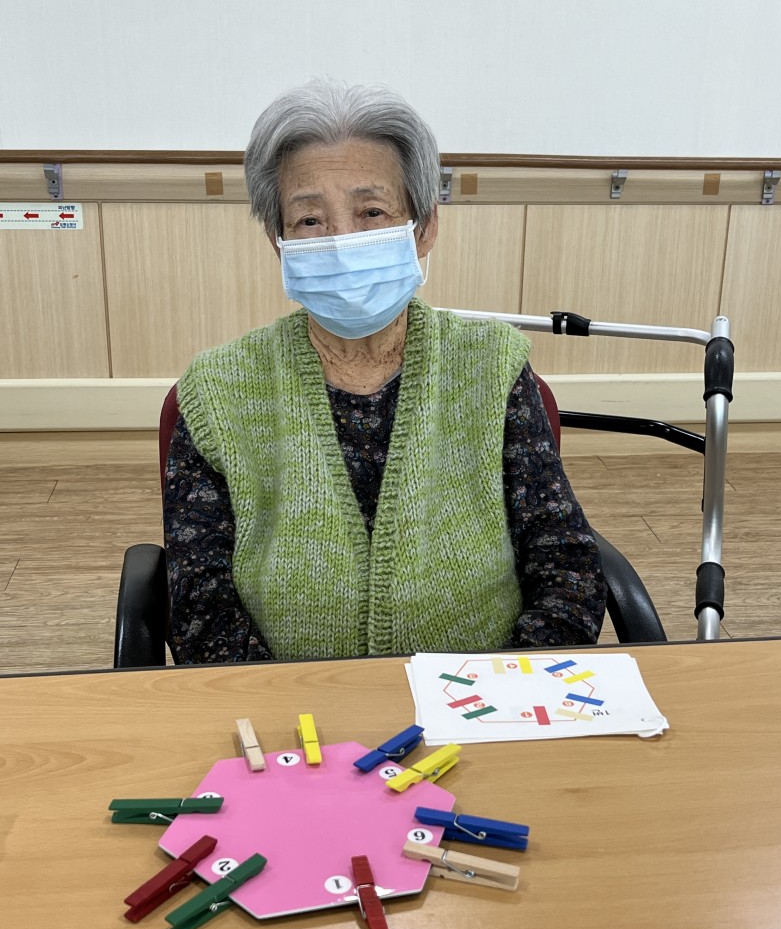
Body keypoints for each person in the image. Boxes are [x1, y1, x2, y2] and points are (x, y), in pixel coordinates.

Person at [164, 79, 606, 664]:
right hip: (290, 708)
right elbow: (199, 602)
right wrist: (284, 704)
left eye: (371, 212)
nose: (342, 242)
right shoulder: (219, 389)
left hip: (481, 699)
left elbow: (566, 566)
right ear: (278, 242)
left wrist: (499, 691)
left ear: (424, 228)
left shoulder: (491, 365)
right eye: (310, 220)